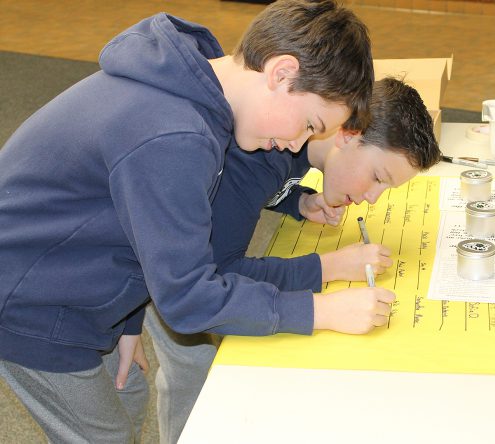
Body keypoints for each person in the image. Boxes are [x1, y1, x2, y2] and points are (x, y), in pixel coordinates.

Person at [0, 1, 383, 442]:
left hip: (77, 277)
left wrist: (125, 322)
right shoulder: (176, 134)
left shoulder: (196, 90)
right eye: (309, 124)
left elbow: (134, 217)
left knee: (129, 394)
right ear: (281, 73)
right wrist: (320, 310)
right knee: (103, 436)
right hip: (31, 306)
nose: (295, 144)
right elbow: (187, 298)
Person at [142, 76, 441, 441]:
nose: (374, 197)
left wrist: (297, 200)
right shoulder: (266, 151)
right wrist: (327, 269)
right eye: (378, 177)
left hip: (165, 259)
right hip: (165, 277)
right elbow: (219, 276)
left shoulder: (296, 146)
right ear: (349, 134)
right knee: (197, 371)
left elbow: (251, 193)